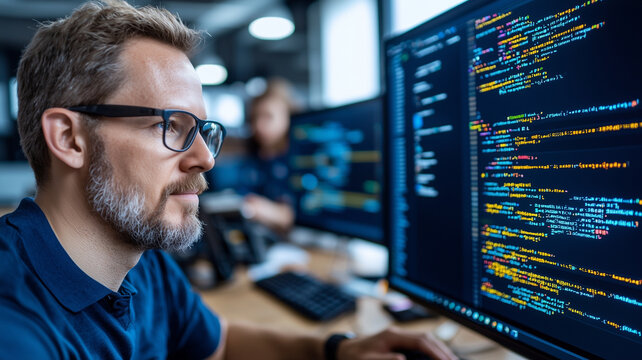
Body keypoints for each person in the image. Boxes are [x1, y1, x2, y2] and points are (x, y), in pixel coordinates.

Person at [0, 1, 457, 359]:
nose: (204, 159)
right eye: (172, 126)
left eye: (202, 131)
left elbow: (218, 346)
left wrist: (336, 350)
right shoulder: (16, 328)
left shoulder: (139, 258)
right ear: (69, 138)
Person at [240, 79, 297, 233]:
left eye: (268, 116)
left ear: (289, 116)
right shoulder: (254, 158)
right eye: (254, 118)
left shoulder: (300, 160)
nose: (258, 126)